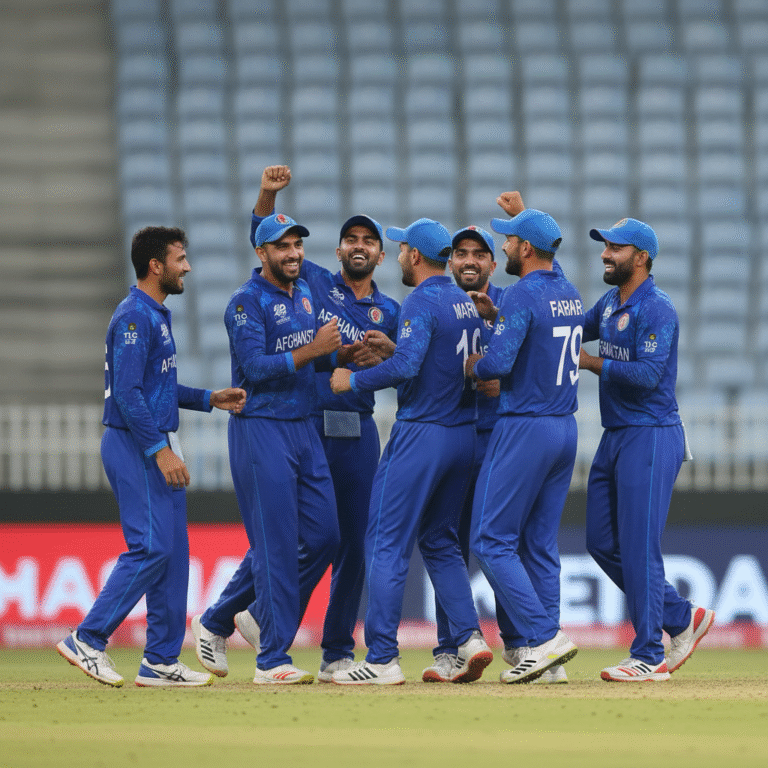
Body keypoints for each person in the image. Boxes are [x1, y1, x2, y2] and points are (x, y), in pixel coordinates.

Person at [191, 167, 399, 683]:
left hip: (346, 429)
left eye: (368, 240)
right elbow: (265, 239)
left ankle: (328, 649)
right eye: (349, 238)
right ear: (338, 251)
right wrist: (267, 194)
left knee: (341, 539)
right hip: (292, 422)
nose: (358, 246)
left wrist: (358, 357)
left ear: (380, 253)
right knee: (277, 540)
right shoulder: (314, 286)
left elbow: (360, 362)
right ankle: (257, 639)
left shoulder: (388, 310)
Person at [56, 226, 246, 688]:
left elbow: (155, 388)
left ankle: (160, 660)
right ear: (156, 265)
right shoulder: (135, 317)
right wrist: (159, 450)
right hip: (134, 443)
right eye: (181, 258)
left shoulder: (155, 315)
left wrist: (208, 398)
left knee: (174, 554)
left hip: (153, 440)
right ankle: (88, 638)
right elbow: (127, 393)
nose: (188, 267)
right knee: (151, 548)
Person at [329, 218, 493, 685]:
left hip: (422, 433)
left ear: (416, 256)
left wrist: (353, 379)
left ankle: (381, 658)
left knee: (383, 541)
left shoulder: (421, 299)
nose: (398, 256)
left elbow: (409, 365)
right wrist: (394, 351)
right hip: (463, 433)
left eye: (402, 249)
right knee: (441, 542)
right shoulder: (465, 302)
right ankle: (469, 638)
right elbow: (436, 360)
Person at [206, 212, 346, 685]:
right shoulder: (245, 302)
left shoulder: (303, 292)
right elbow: (253, 367)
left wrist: (344, 354)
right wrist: (313, 350)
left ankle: (218, 620)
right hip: (261, 428)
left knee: (326, 535)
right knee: (275, 546)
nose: (293, 254)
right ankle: (272, 660)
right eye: (282, 247)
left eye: (297, 246)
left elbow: (313, 352)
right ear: (261, 252)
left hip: (303, 426)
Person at [579, 218, 715, 682]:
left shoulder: (656, 308)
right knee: (600, 542)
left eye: (615, 248)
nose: (604, 254)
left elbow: (647, 376)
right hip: (616, 434)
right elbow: (570, 327)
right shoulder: (611, 302)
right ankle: (681, 618)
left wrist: (590, 360)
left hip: (652, 434)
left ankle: (648, 653)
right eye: (605, 246)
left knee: (640, 547)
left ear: (641, 257)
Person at [465, 207, 582, 684]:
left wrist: (475, 363)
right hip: (564, 428)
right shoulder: (568, 291)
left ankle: (542, 637)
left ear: (526, 249)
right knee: (538, 544)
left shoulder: (520, 294)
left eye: (510, 241)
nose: (506, 247)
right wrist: (501, 319)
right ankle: (546, 654)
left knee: (490, 539)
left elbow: (498, 364)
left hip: (525, 425)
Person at [420, 222, 502, 684]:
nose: (469, 260)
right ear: (450, 261)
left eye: (479, 253)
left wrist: (499, 375)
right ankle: (452, 649)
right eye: (461, 253)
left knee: (491, 544)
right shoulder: (442, 306)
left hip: (494, 443)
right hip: (455, 439)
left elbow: (539, 360)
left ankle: (528, 641)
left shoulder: (508, 304)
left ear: (493, 263)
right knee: (446, 542)